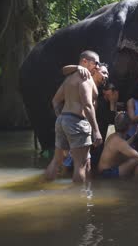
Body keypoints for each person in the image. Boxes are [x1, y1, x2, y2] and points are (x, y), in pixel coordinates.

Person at [45, 50, 108, 182]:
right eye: (95, 63)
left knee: (56, 160)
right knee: (81, 165)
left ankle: (44, 189)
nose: (97, 66)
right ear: (85, 62)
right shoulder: (85, 77)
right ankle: (79, 201)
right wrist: (96, 131)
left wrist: (62, 119)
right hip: (77, 121)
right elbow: (87, 105)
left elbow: (55, 101)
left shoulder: (69, 79)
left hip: (63, 119)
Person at [98, 112, 138, 178]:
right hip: (107, 174)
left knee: (137, 160)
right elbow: (137, 156)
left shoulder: (113, 136)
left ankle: (135, 182)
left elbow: (124, 145)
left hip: (104, 171)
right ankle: (137, 184)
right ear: (129, 126)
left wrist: (135, 135)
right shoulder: (119, 142)